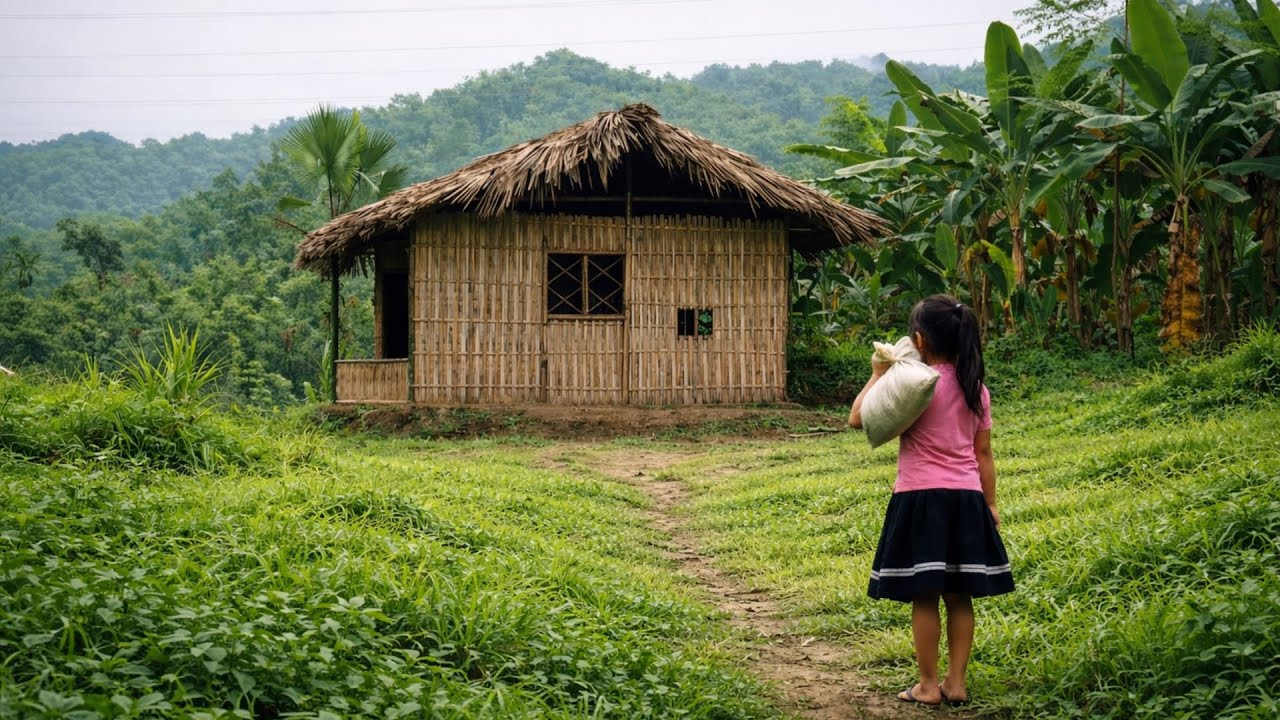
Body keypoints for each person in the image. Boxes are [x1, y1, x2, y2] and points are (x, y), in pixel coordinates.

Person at [847, 294, 1014, 706]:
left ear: (918, 340)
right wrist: (990, 503)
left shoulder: (911, 385)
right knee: (960, 596)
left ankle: (927, 686)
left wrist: (877, 374)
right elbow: (984, 455)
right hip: (967, 499)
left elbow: (857, 418)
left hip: (920, 499)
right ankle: (956, 683)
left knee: (924, 595)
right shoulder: (977, 389)